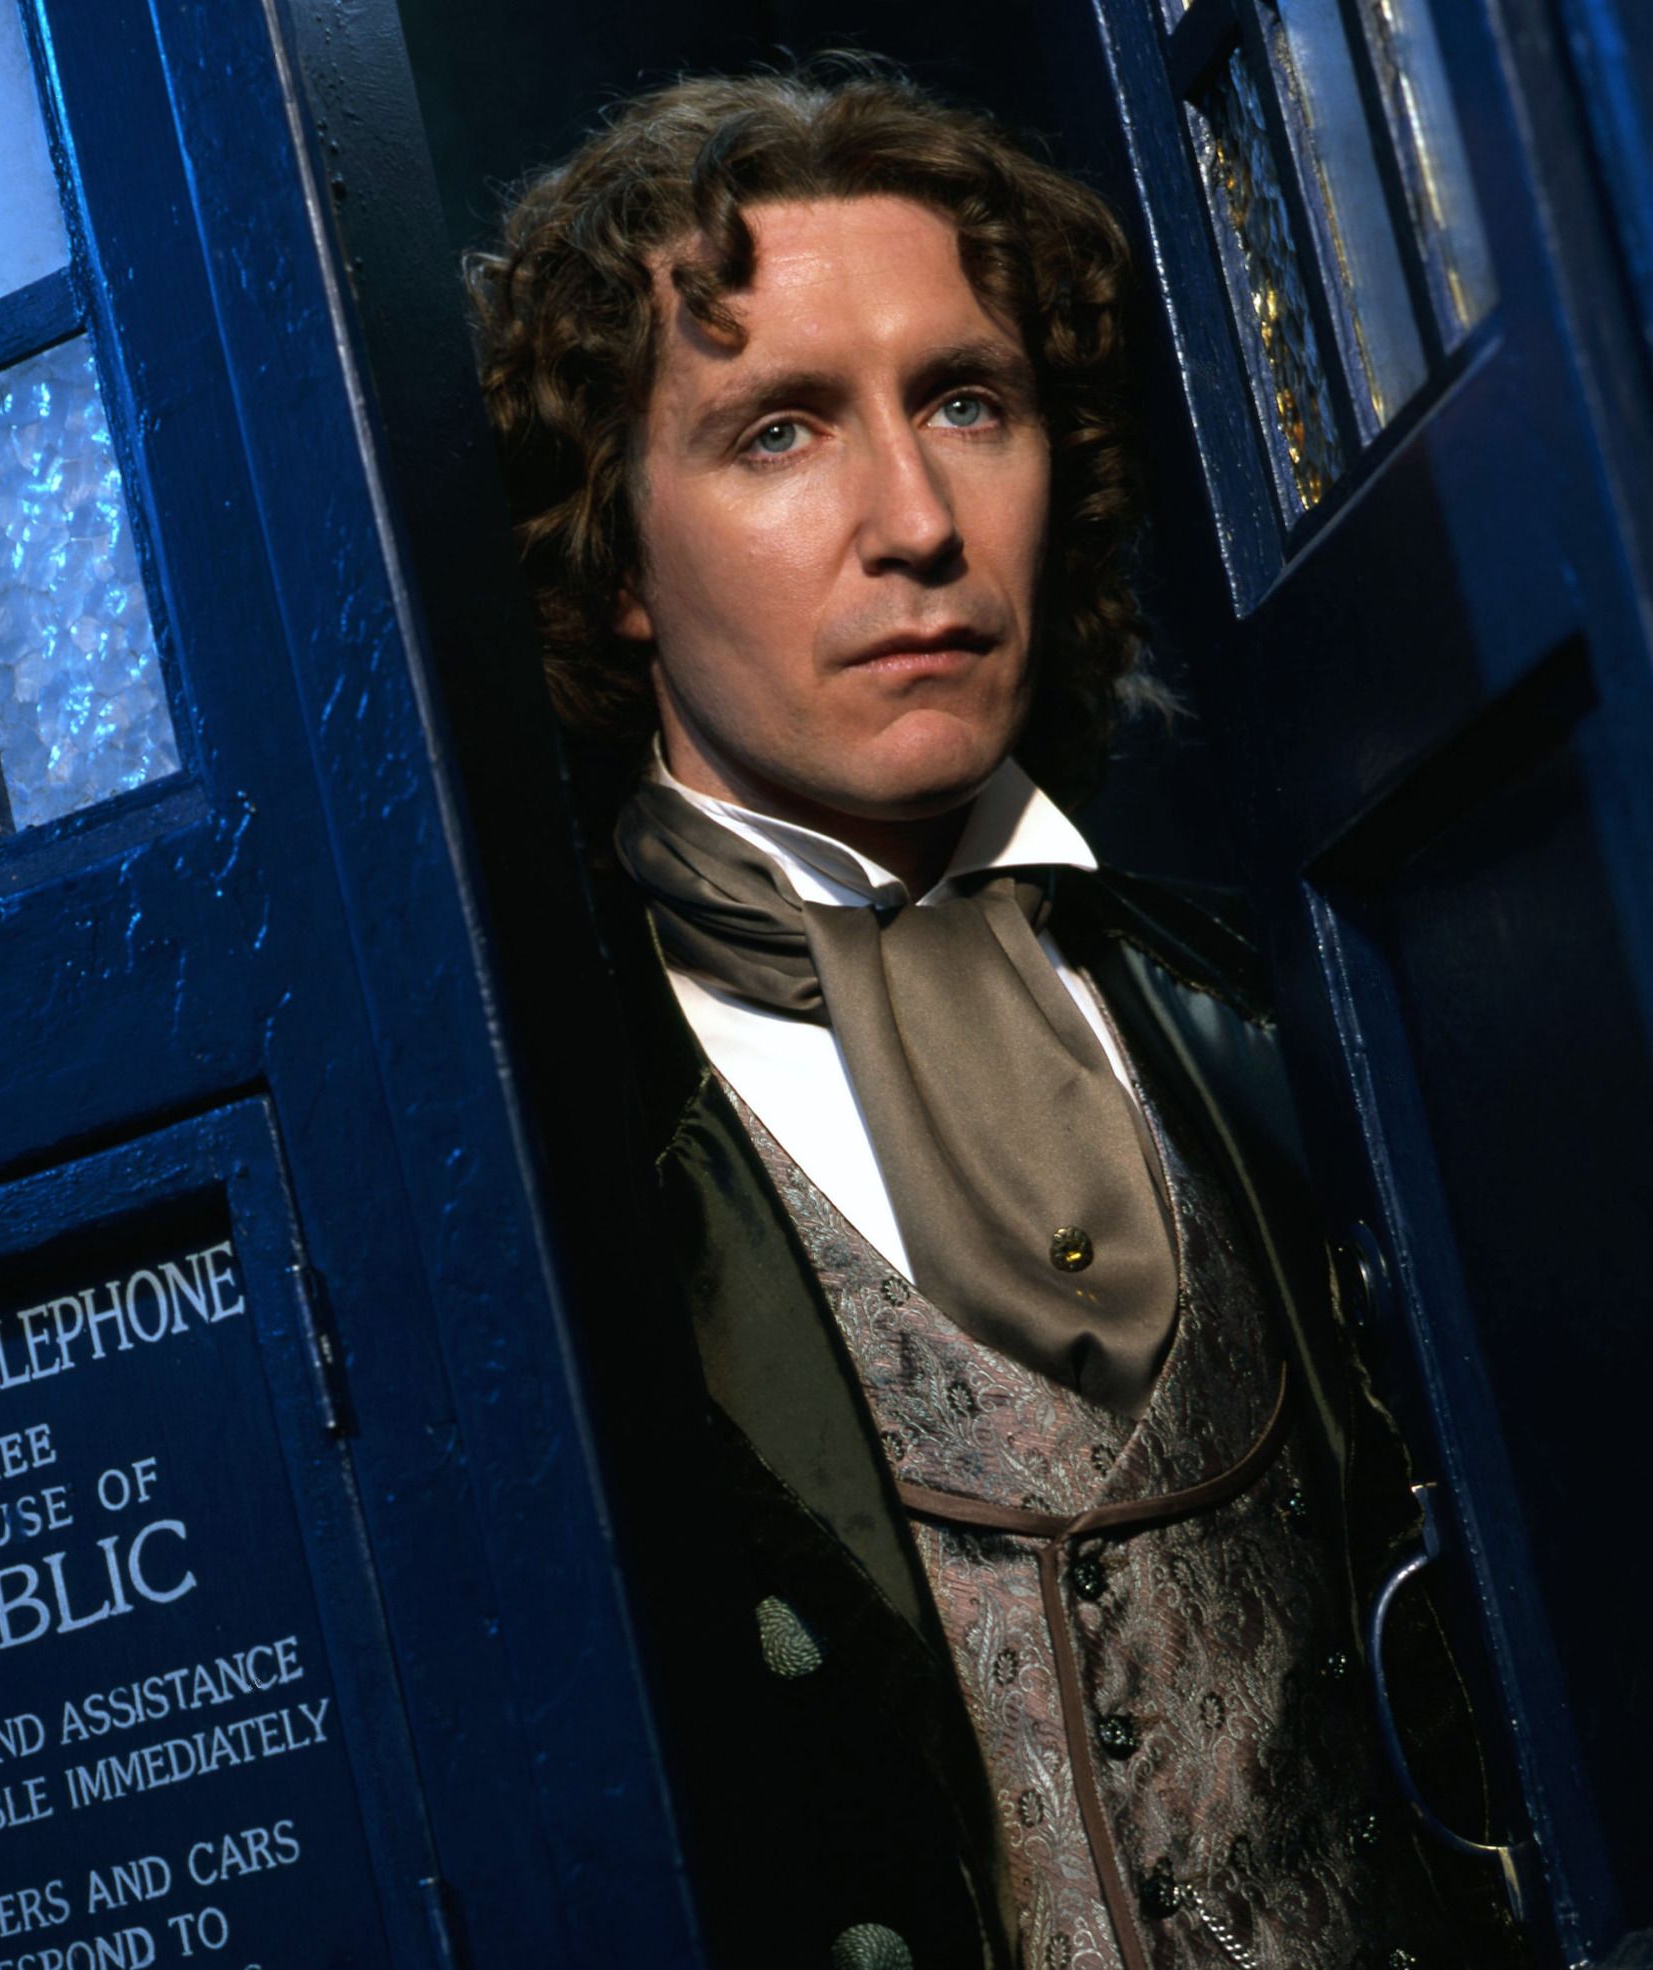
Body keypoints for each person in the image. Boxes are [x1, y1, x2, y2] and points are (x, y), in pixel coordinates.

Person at [466, 59, 1526, 1970]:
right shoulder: (535, 1148)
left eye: (970, 402)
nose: (917, 519)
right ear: (616, 550)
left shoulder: (1294, 1003)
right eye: (780, 431)